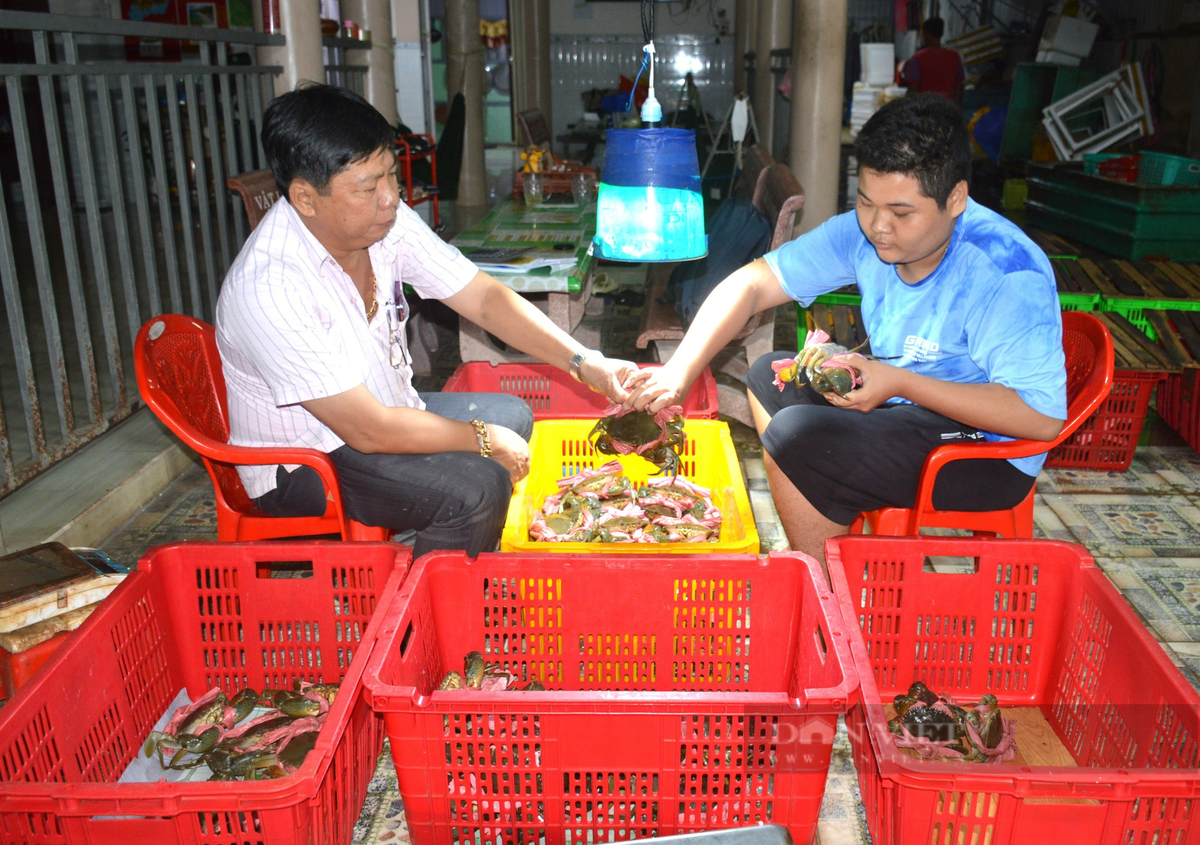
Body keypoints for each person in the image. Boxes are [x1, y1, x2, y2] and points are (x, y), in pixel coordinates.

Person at [623, 95, 1066, 562]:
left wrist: (897, 382)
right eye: (866, 202)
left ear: (955, 198)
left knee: (799, 435)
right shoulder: (865, 233)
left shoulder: (1004, 273)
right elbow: (752, 285)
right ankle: (828, 550)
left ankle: (828, 588)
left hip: (986, 449)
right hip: (906, 403)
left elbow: (1039, 418)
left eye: (901, 213)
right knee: (771, 374)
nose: (879, 227)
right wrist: (679, 371)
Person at [216, 84, 638, 557]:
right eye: (368, 187)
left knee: (512, 415)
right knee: (477, 487)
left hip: (379, 413)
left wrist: (584, 362)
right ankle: (427, 612)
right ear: (306, 198)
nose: (392, 198)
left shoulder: (384, 224)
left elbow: (482, 298)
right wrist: (480, 440)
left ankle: (445, 545)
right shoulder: (269, 286)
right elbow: (368, 430)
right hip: (307, 460)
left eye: (391, 176)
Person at [900, 17, 966, 105]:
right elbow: (958, 88)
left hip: (924, 109)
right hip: (946, 109)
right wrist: (957, 111)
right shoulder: (954, 57)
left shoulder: (919, 58)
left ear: (926, 34)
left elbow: (912, 89)